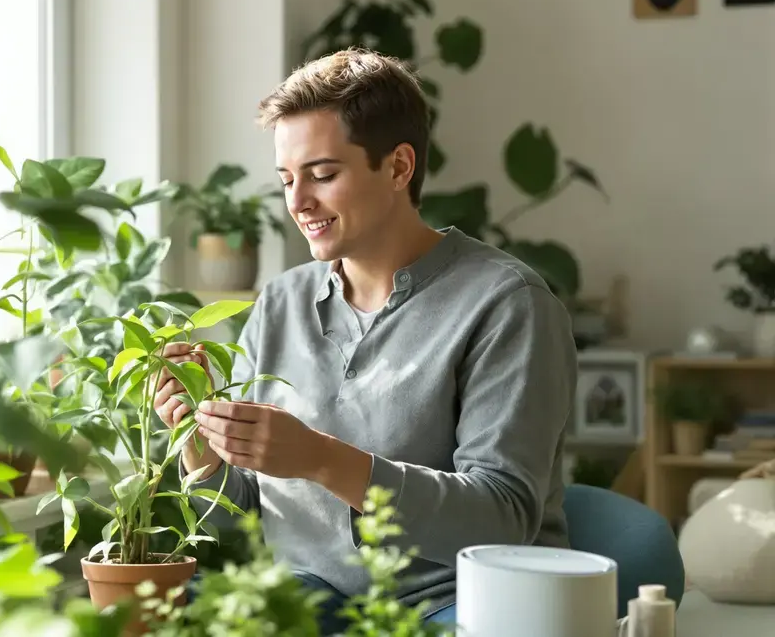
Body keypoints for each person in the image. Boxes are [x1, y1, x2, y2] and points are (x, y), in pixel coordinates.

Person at [153, 48, 576, 634]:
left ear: (399, 167)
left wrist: (320, 458)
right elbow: (240, 516)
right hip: (302, 599)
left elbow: (502, 518)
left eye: (323, 175)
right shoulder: (279, 304)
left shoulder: (507, 303)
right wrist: (200, 446)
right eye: (287, 179)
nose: (297, 202)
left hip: (452, 605)